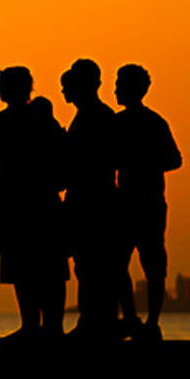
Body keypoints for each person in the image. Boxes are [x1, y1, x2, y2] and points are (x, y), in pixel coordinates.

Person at [0, 69, 67, 342]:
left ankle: (43, 327)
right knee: (31, 266)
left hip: (27, 199)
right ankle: (39, 326)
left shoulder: (26, 118)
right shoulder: (2, 120)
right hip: (23, 198)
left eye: (1, 84)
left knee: (40, 266)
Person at [114, 64, 182, 342]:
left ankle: (148, 321)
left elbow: (175, 159)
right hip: (136, 203)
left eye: (120, 84)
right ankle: (135, 319)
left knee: (148, 265)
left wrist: (140, 162)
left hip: (145, 202)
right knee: (128, 264)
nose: (116, 89)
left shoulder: (148, 122)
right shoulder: (147, 121)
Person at [59, 59, 122, 340]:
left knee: (95, 264)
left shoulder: (96, 116)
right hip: (88, 198)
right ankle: (95, 321)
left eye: (68, 85)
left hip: (93, 200)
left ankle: (98, 323)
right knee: (88, 266)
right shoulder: (91, 115)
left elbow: (92, 160)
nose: (64, 91)